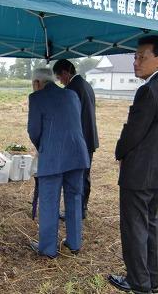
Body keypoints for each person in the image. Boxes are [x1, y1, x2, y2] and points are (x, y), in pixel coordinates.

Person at [108, 35, 158, 294]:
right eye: (135, 56)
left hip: (140, 173)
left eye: (142, 57)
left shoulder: (149, 89)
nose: (136, 62)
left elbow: (133, 132)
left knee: (135, 228)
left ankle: (138, 283)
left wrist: (119, 152)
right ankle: (150, 280)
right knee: (150, 224)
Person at [27, 68, 89, 258]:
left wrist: (43, 147)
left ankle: (47, 249)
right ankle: (74, 242)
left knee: (49, 202)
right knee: (75, 198)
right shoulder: (71, 94)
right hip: (77, 154)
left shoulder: (36, 98)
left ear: (37, 83)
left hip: (53, 157)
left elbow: (34, 131)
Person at [53, 59, 99, 219]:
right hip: (89, 138)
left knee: (75, 177)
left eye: (59, 78)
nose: (60, 82)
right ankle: (82, 208)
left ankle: (75, 211)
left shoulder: (72, 88)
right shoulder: (86, 85)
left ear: (65, 73)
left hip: (78, 140)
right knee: (85, 175)